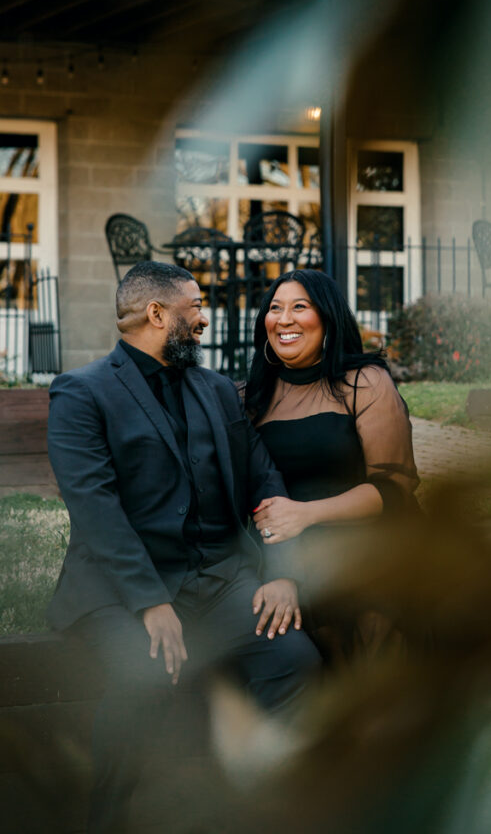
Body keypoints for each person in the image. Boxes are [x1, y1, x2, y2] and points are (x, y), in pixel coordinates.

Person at [47, 261, 320, 834]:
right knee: (138, 678)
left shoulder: (217, 388)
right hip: (124, 589)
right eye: (195, 306)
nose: (204, 317)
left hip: (222, 579)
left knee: (295, 661)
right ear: (157, 313)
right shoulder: (81, 392)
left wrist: (280, 572)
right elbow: (96, 511)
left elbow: (263, 479)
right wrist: (149, 602)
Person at [245, 268, 420, 657]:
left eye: (299, 307)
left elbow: (394, 489)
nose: (284, 319)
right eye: (275, 308)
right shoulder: (250, 397)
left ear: (327, 318)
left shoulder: (364, 383)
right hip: (286, 557)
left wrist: (305, 514)